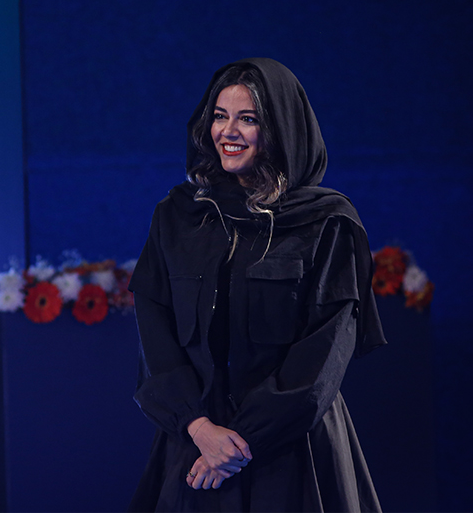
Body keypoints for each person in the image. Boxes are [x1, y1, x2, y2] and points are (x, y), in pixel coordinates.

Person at [128, 58, 385, 512]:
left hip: (291, 449)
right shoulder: (177, 215)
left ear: (281, 129)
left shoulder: (326, 222)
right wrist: (200, 429)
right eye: (220, 116)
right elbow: (154, 330)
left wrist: (238, 445)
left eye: (248, 119)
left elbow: (323, 352)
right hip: (197, 444)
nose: (228, 132)